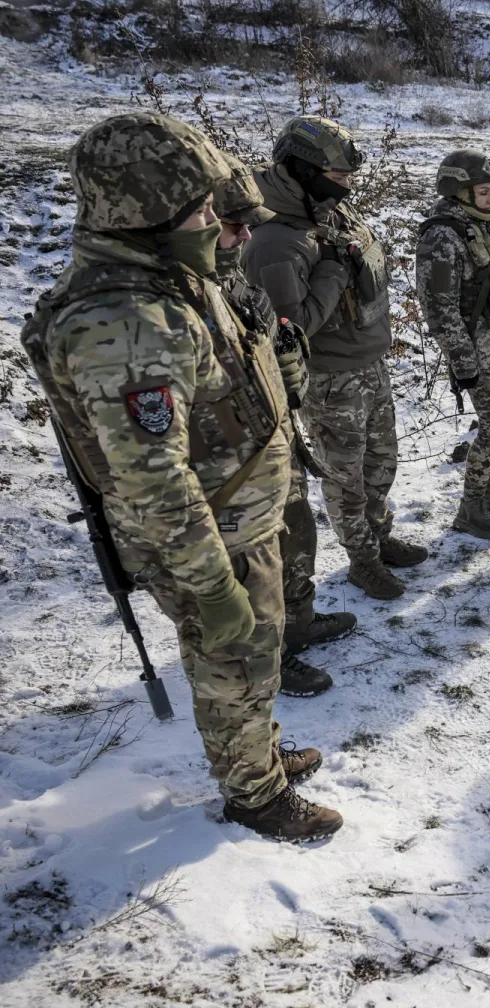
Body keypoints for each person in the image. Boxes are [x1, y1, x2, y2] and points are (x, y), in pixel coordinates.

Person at [22, 112, 340, 840]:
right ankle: (253, 794)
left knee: (253, 662)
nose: (215, 222)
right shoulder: (126, 323)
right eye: (200, 209)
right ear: (146, 214)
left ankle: (255, 753)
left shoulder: (165, 276)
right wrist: (212, 585)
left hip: (237, 521)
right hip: (208, 541)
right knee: (233, 661)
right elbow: (154, 484)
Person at [245, 116, 428, 600]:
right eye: (340, 176)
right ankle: (361, 560)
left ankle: (379, 537)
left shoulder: (324, 211)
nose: (348, 187)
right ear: (305, 171)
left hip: (369, 363)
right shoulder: (275, 241)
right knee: (345, 477)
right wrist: (331, 269)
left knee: (381, 464)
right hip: (329, 379)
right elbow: (291, 330)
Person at [213, 155, 355, 697]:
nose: (247, 234)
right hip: (232, 463)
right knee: (253, 564)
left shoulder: (228, 284)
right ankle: (269, 656)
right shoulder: (174, 302)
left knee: (296, 533)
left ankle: (296, 622)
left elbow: (279, 341)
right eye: (233, 224)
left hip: (275, 436)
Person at [415, 150, 490, 537]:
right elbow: (440, 310)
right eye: (484, 193)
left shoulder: (488, 227)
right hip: (476, 355)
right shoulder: (441, 238)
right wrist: (463, 362)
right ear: (459, 192)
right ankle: (469, 507)